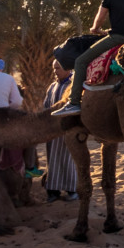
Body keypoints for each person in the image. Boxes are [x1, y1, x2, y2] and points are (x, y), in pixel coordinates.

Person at [41, 60, 79, 202]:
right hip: (53, 131)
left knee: (69, 160)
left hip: (68, 129)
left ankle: (72, 191)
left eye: (58, 68)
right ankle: (53, 192)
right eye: (54, 68)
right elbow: (46, 106)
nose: (55, 71)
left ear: (67, 69)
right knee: (52, 161)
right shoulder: (53, 86)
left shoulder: (74, 85)